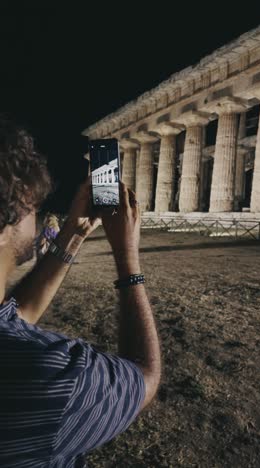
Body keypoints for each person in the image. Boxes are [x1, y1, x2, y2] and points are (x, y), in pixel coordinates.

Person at [0, 117, 161, 468]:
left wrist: (74, 231)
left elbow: (15, 316)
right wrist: (128, 258)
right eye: (32, 208)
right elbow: (145, 378)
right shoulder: (54, 376)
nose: (39, 217)